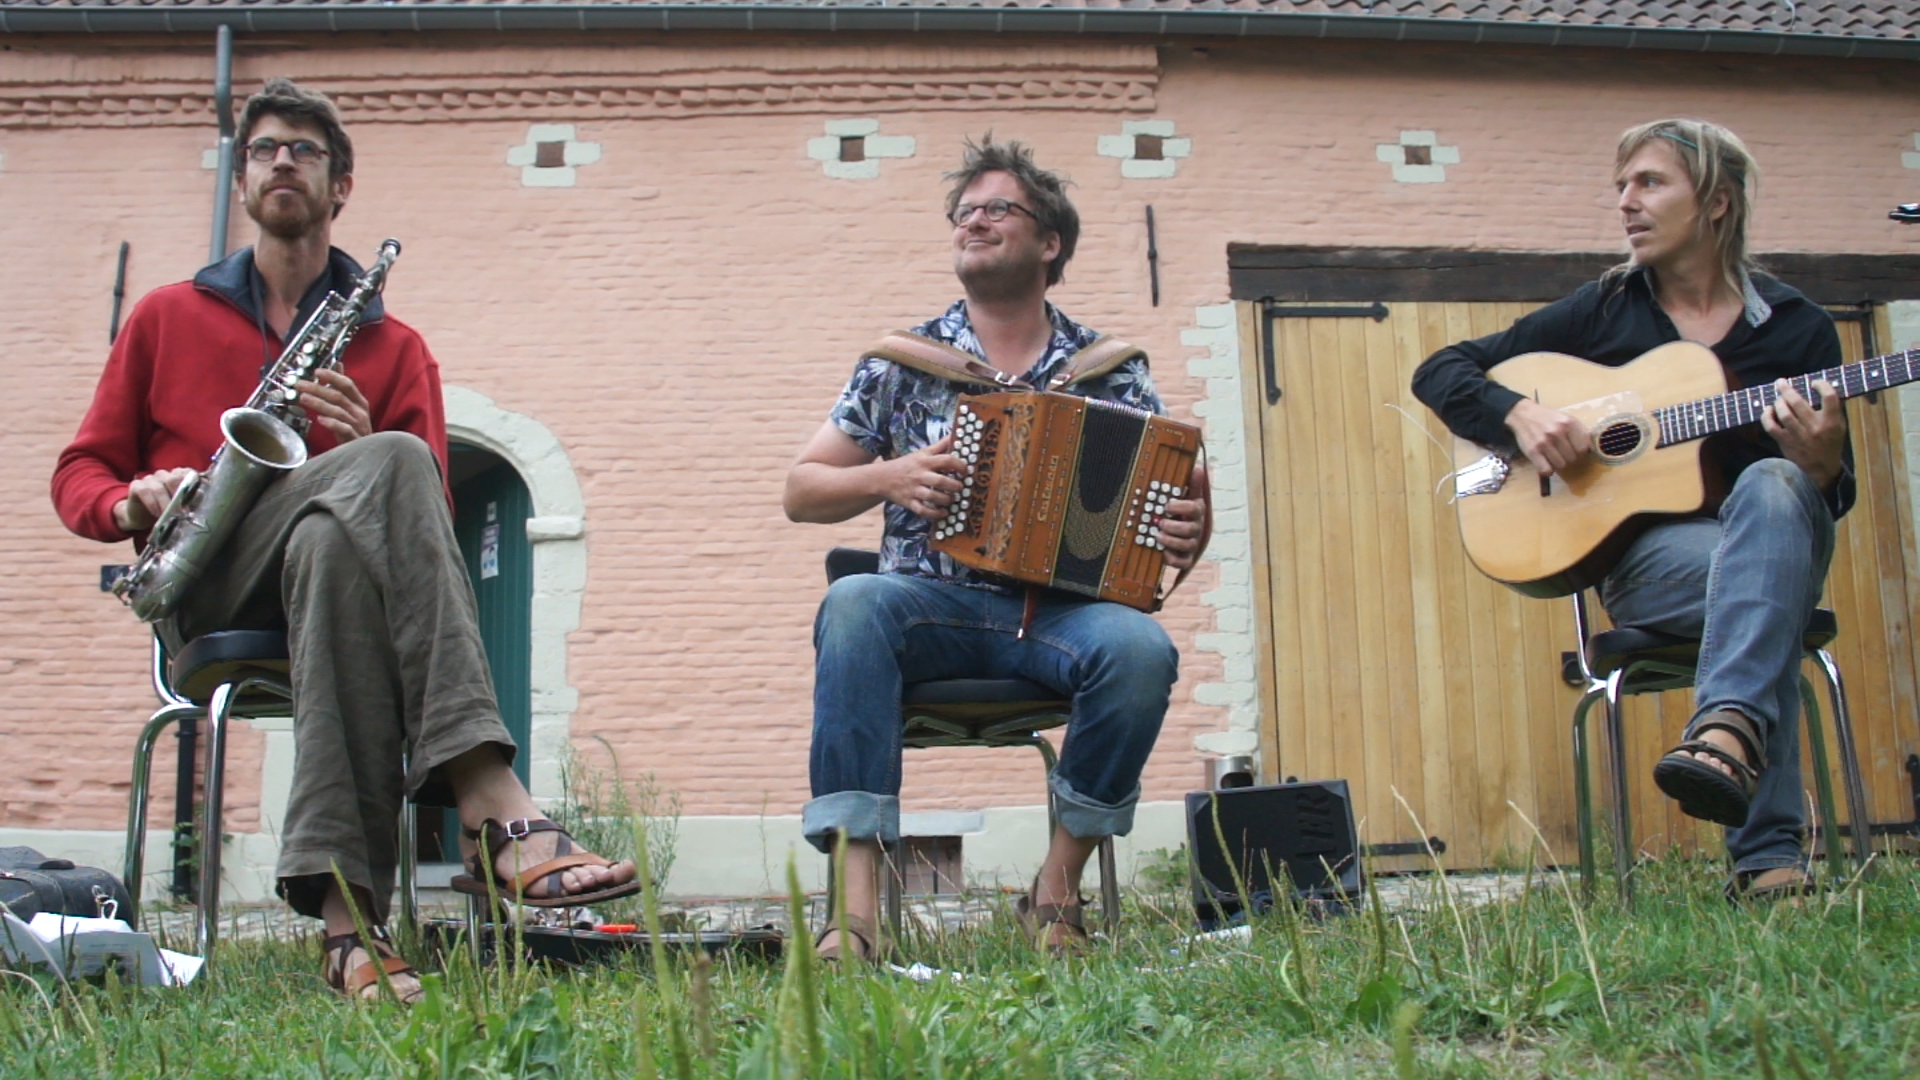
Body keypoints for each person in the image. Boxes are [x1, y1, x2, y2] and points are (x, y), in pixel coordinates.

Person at [51, 78, 636, 1001]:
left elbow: (427, 519)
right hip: (206, 581)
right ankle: (488, 793)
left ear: (341, 187)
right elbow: (75, 476)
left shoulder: (394, 346)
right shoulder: (166, 316)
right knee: (389, 463)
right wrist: (134, 500)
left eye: (306, 151)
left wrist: (360, 451)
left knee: (337, 539)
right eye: (264, 149)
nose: (282, 161)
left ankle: (348, 932)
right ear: (243, 181)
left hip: (328, 579)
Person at [783, 137, 1207, 958]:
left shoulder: (1109, 371)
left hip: (1060, 615)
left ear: (1050, 243)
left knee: (1142, 648)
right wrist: (889, 477)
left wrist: (1184, 534)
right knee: (853, 601)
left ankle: (1054, 896)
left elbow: (1176, 509)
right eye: (963, 211)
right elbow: (801, 490)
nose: (973, 221)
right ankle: (858, 913)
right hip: (930, 608)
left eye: (997, 208)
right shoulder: (900, 365)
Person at [1412, 118, 1851, 902]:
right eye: (1622, 186)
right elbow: (1442, 371)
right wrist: (1518, 414)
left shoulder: (1798, 330)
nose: (1625, 203)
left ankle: (1725, 736)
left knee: (1772, 489)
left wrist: (1819, 468)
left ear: (1716, 202)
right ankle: (1765, 852)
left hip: (1777, 542)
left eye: (1649, 183)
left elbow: (1832, 498)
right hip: (1656, 567)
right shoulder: (1606, 311)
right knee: (1763, 595)